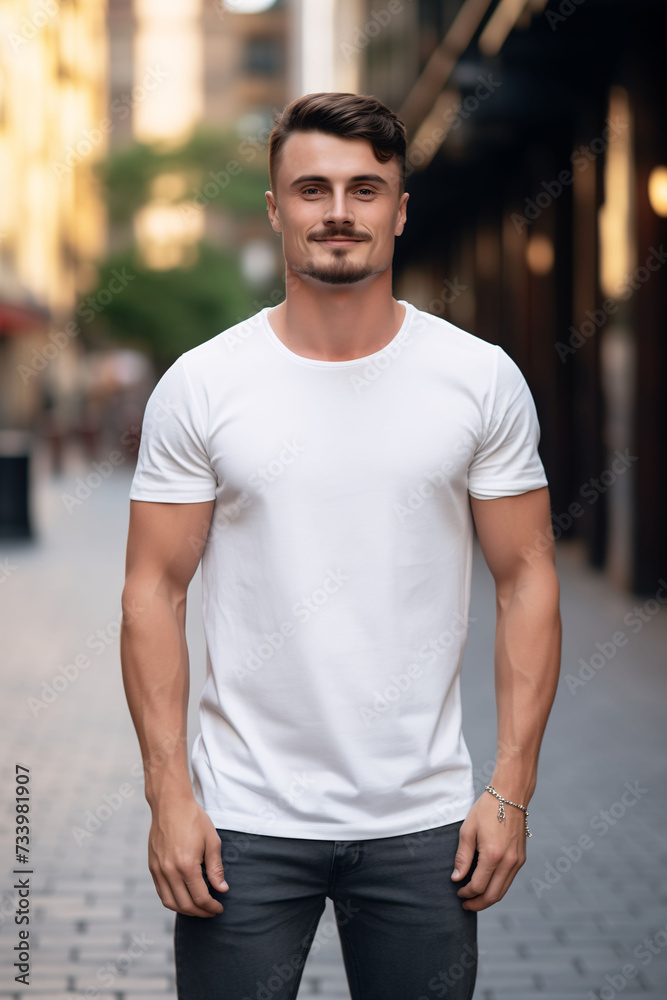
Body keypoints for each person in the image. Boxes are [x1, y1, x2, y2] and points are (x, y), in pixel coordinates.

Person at [120, 92, 562, 1000]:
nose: (337, 212)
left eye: (365, 189)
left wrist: (509, 789)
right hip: (241, 825)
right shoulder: (203, 385)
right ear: (276, 208)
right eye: (312, 188)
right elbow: (150, 592)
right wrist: (170, 798)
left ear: (401, 209)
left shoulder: (477, 379)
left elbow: (527, 578)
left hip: (423, 824)